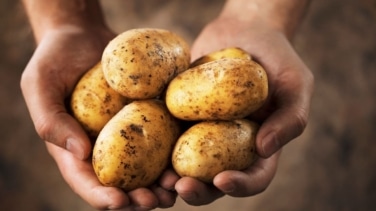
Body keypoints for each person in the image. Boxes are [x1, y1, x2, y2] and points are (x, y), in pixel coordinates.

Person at [20, 0, 314, 210]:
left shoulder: (180, 93)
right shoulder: (155, 91)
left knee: (190, 157)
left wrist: (259, 17)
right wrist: (65, 21)